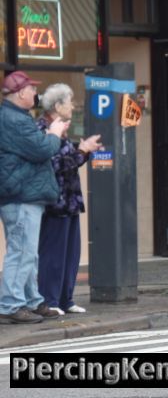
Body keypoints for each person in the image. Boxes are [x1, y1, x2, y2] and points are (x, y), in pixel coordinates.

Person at [0, 71, 67, 324]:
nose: (35, 94)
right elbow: (42, 149)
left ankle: (31, 300)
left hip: (21, 194)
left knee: (28, 251)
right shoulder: (14, 120)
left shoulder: (14, 117)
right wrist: (54, 133)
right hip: (21, 196)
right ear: (20, 94)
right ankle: (10, 305)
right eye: (31, 90)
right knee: (21, 251)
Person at [36, 84, 103, 316]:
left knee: (71, 253)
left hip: (69, 201)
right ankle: (49, 299)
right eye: (69, 101)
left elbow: (68, 162)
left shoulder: (62, 129)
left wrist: (83, 150)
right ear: (57, 106)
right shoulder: (44, 129)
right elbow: (55, 165)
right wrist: (81, 151)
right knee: (53, 254)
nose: (73, 106)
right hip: (55, 202)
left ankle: (66, 299)